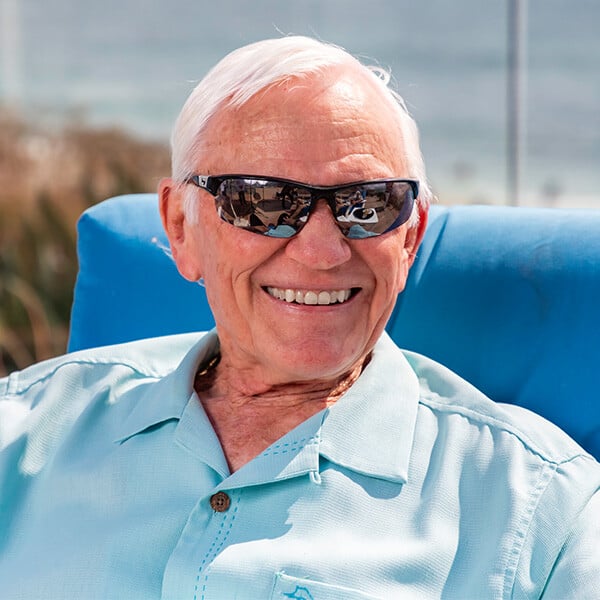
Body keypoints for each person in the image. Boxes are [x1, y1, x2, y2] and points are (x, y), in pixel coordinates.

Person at [0, 36, 599, 599]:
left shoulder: (543, 517)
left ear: (410, 236)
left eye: (368, 204)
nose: (322, 251)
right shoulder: (22, 435)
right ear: (181, 229)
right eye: (261, 201)